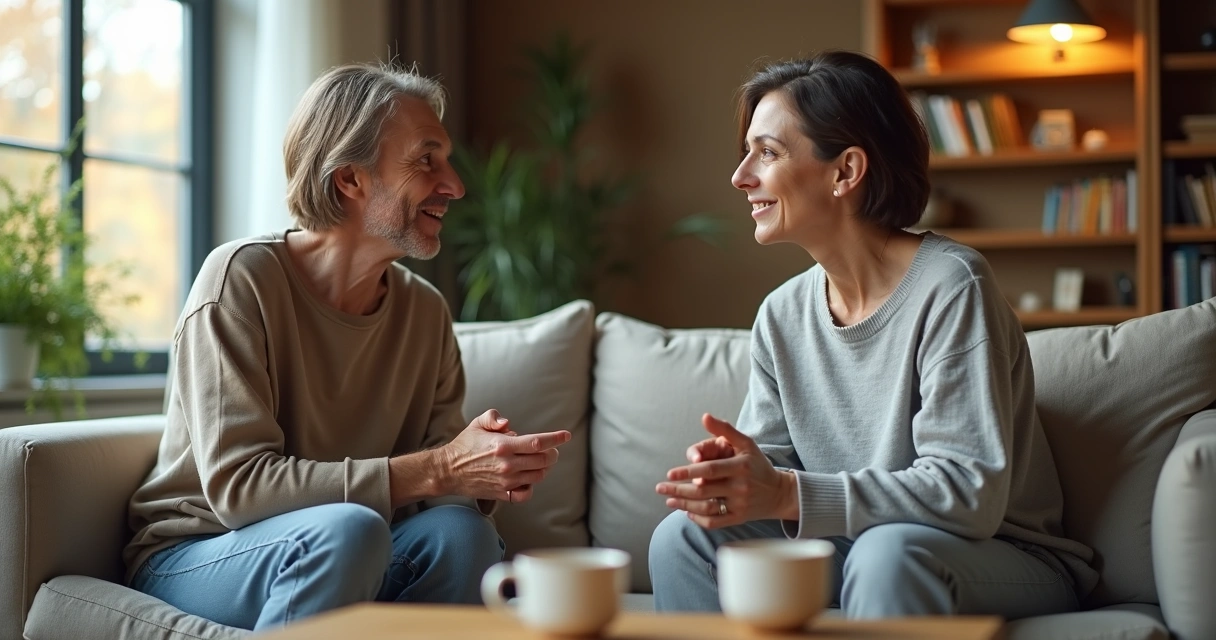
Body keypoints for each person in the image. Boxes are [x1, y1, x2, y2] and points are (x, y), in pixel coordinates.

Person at [648, 51, 1097, 620]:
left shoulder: (952, 285)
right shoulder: (781, 314)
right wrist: (736, 475)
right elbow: (777, 465)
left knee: (887, 555)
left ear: (845, 171)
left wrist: (786, 492)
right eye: (747, 152)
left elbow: (968, 494)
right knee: (682, 538)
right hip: (859, 544)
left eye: (768, 152)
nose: (741, 176)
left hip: (998, 553)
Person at [124, 63, 571, 632]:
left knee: (463, 536)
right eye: (425, 160)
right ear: (350, 179)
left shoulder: (425, 311)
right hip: (201, 551)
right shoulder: (241, 280)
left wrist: (483, 470)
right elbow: (240, 490)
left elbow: (438, 485)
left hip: (352, 545)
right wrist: (440, 467)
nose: (455, 186)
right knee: (349, 529)